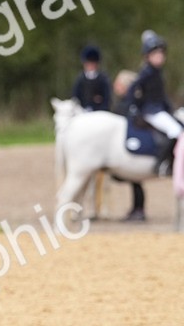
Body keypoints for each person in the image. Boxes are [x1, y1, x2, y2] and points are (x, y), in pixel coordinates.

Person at [130, 30, 183, 171]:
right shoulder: (146, 73)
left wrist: (171, 108)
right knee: (176, 131)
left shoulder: (158, 73)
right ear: (148, 56)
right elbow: (134, 91)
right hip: (151, 111)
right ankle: (161, 163)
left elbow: (161, 95)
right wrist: (134, 107)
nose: (160, 57)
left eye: (161, 54)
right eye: (156, 54)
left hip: (159, 109)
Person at [112, 69, 146, 221]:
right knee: (134, 181)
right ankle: (137, 209)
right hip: (125, 148)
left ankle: (139, 210)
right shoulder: (125, 103)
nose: (115, 86)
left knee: (135, 180)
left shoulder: (129, 104)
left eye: (118, 84)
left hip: (131, 147)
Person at [71, 46, 111, 111]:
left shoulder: (103, 79)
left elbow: (107, 98)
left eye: (92, 63)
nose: (90, 66)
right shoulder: (80, 79)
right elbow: (75, 97)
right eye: (88, 64)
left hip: (99, 111)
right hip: (82, 110)